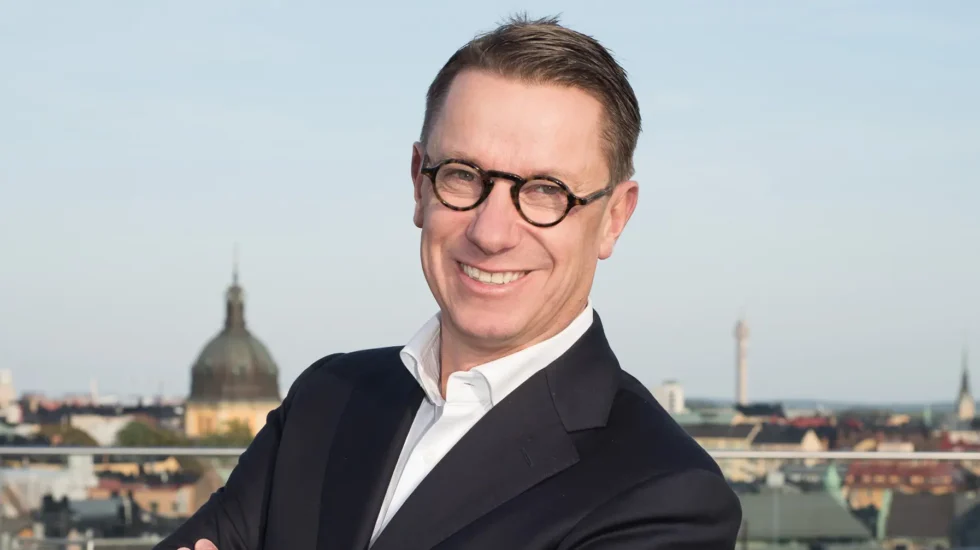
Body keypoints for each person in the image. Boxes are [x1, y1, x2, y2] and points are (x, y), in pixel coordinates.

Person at [160, 15, 741, 550]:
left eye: (547, 191)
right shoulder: (326, 398)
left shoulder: (665, 494)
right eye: (463, 176)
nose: (491, 232)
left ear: (614, 217)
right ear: (420, 184)